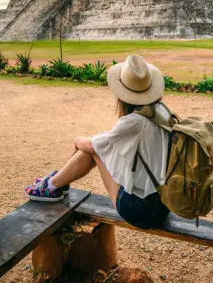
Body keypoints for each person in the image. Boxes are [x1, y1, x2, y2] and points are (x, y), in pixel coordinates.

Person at [25, 54, 171, 229]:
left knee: (93, 149)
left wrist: (77, 140)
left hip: (141, 212)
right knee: (97, 144)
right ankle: (56, 183)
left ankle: (51, 186)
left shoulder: (134, 122)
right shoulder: (162, 112)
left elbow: (93, 146)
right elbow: (112, 142)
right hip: (163, 205)